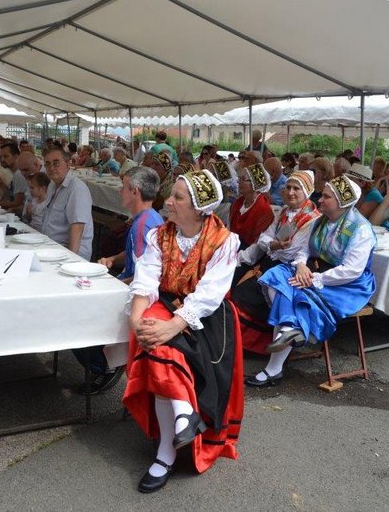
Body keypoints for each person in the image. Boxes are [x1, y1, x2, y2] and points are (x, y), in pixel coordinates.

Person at [123, 169, 243, 493]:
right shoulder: (160, 235)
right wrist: (138, 322)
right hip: (165, 303)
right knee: (154, 340)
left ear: (199, 209)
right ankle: (182, 414)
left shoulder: (224, 241)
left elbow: (209, 295)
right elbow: (146, 280)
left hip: (206, 317)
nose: (168, 202)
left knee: (163, 349)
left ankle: (166, 452)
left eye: (177, 197)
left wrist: (173, 326)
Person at [247, 175, 376, 387]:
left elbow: (352, 271)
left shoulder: (360, 229)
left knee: (293, 292)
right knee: (275, 276)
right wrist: (301, 265)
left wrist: (315, 278)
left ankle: (276, 362)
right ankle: (289, 328)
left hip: (348, 285)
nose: (320, 200)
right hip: (315, 271)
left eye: (326, 197)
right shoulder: (320, 221)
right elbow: (305, 250)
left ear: (341, 202)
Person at [74, 167, 166, 396]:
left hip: (134, 294)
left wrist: (114, 284)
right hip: (128, 284)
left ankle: (105, 366)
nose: (119, 191)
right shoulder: (148, 218)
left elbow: (147, 275)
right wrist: (114, 259)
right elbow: (137, 255)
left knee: (77, 317)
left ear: (135, 191)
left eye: (123, 187)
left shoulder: (143, 226)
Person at [232, 170, 320, 353]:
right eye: (288, 187)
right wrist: (274, 244)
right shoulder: (284, 212)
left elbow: (294, 251)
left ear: (307, 192)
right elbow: (265, 238)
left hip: (290, 267)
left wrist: (274, 246)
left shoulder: (312, 218)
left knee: (248, 295)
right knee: (239, 288)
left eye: (296, 188)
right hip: (272, 262)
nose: (290, 192)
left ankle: (258, 345)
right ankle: (241, 341)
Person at [41, 148, 94, 260]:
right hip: (51, 247)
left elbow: (77, 227)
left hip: (68, 253)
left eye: (56, 163)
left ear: (68, 164)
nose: (51, 168)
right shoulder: (52, 185)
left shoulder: (77, 188)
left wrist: (70, 260)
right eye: (48, 164)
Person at [229, 163, 274, 249]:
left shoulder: (264, 210)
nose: (238, 181)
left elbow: (256, 245)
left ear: (255, 184)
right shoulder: (238, 203)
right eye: (239, 178)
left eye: (243, 179)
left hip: (247, 251)